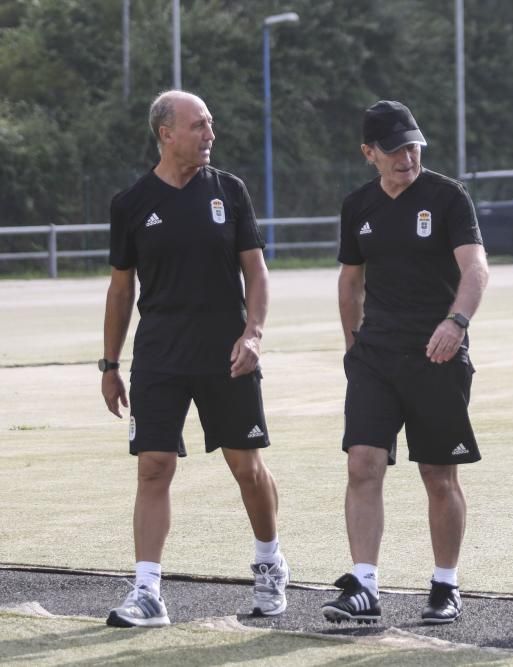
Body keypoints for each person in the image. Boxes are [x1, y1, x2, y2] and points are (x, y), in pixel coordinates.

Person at [101, 90, 289, 627]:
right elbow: (120, 292)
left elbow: (255, 271)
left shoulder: (228, 191)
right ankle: (148, 592)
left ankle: (270, 562)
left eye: (210, 124)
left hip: (227, 352)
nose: (210, 134)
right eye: (199, 125)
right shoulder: (131, 203)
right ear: (166, 133)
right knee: (153, 468)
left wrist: (254, 334)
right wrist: (109, 365)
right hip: (159, 354)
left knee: (246, 467)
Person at [321, 100, 489, 626]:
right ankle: (365, 585)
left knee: (439, 474)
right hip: (375, 357)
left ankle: (445, 584)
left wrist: (455, 323)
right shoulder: (359, 206)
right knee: (362, 464)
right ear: (369, 153)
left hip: (437, 355)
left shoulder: (447, 197)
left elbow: (476, 268)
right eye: (394, 149)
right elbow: (350, 281)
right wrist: (354, 346)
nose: (407, 157)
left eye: (413, 146)